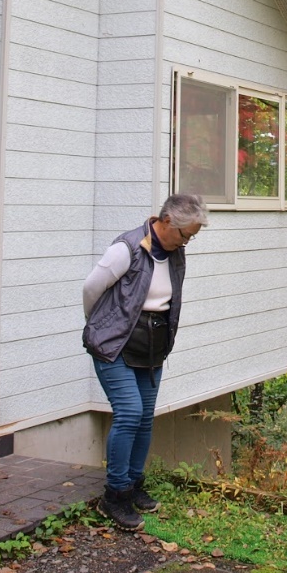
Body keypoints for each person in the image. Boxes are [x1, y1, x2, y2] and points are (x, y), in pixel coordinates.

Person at [82, 193, 207, 530]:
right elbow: (91, 289)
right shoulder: (126, 249)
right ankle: (115, 494)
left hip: (152, 349)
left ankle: (134, 485)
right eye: (186, 235)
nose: (188, 242)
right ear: (167, 222)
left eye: (192, 237)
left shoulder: (176, 254)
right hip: (116, 346)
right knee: (130, 413)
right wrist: (104, 327)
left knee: (144, 418)